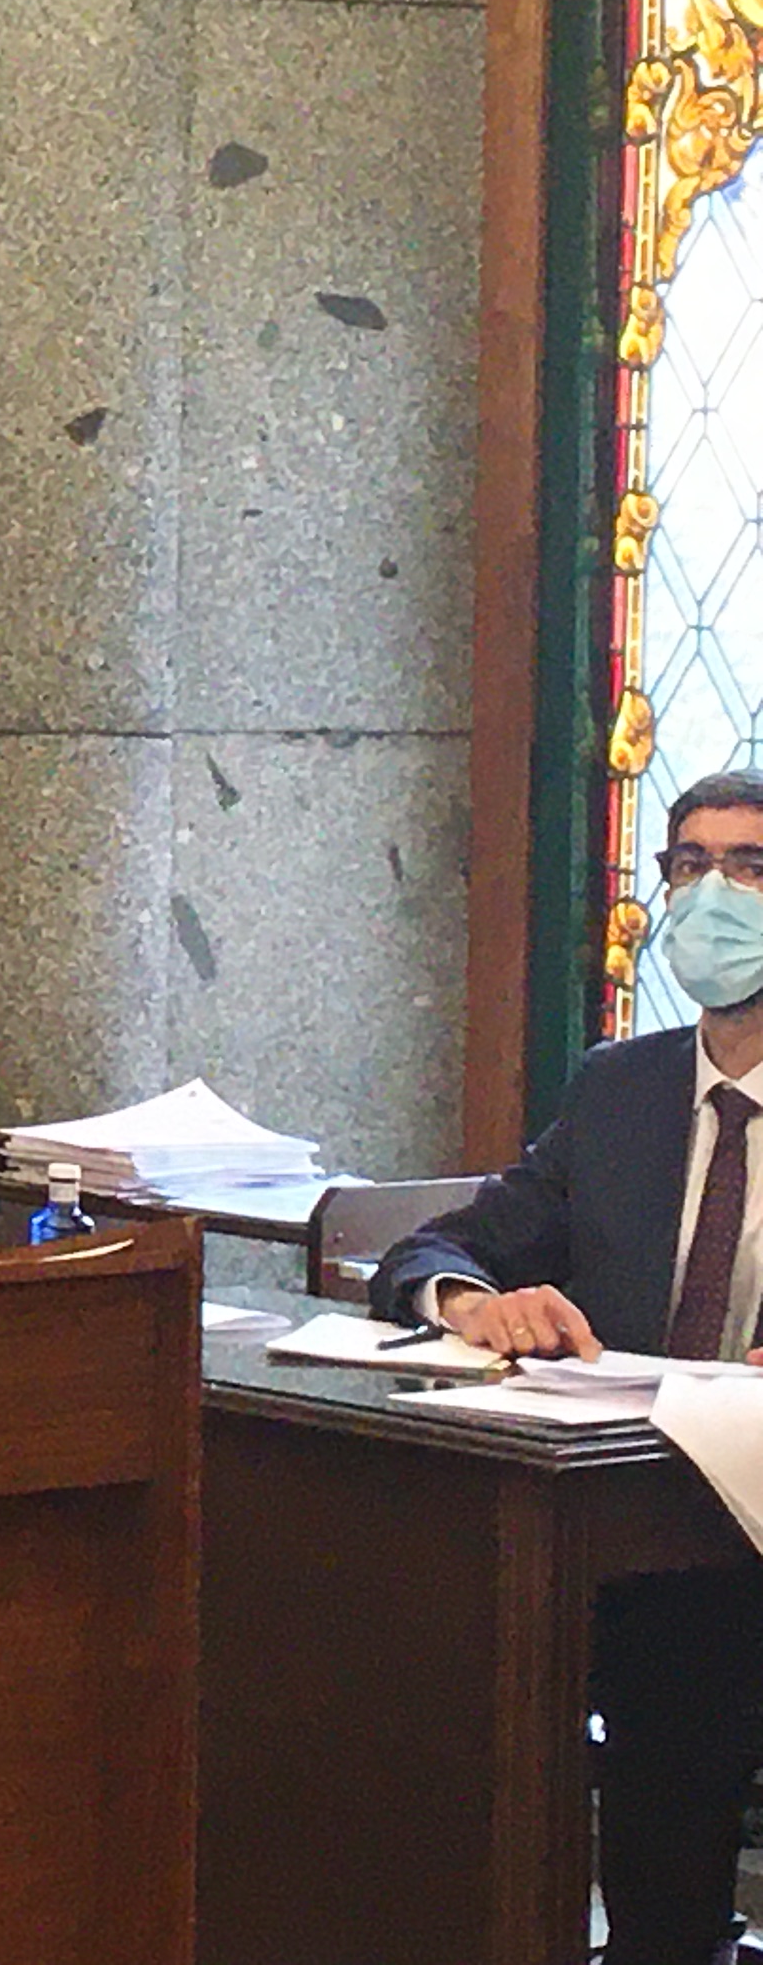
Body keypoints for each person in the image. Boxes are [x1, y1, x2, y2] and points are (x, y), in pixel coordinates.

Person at [369, 769, 763, 1964]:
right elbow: (433, 1250)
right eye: (687, 866)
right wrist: (475, 1303)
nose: (711, 894)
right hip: (649, 1535)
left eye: (749, 867)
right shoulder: (622, 1089)